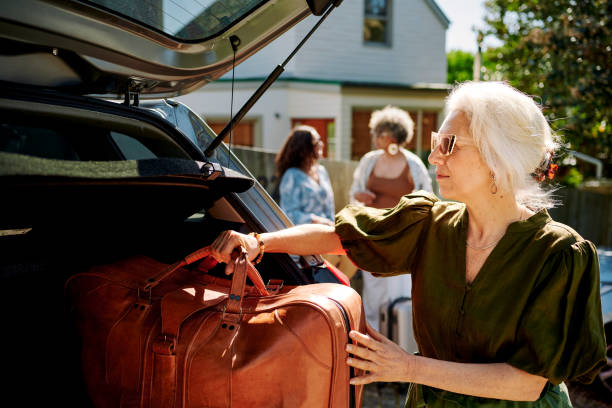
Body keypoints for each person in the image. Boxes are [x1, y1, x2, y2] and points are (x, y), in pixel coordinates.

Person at [209, 81, 607, 407]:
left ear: (497, 157)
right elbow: (342, 237)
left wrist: (407, 368)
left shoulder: (558, 254)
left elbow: (525, 384)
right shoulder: (430, 222)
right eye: (436, 141)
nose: (434, 156)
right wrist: (259, 241)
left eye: (449, 144)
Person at [350, 105, 433, 331]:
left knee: (400, 291)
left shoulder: (413, 164)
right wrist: (360, 196)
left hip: (402, 238)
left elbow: (428, 200)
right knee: (373, 294)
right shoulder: (369, 161)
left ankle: (400, 343)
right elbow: (354, 193)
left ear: (392, 136)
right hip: (373, 234)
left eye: (379, 133)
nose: (375, 138)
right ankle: (371, 342)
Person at [275, 125, 334, 226]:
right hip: (305, 235)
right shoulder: (292, 176)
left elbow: (330, 207)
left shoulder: (322, 171)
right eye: (316, 142)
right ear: (304, 147)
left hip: (327, 232)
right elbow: (290, 213)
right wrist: (317, 220)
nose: (321, 144)